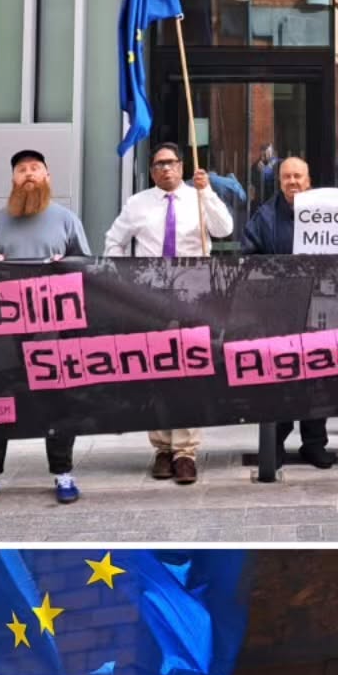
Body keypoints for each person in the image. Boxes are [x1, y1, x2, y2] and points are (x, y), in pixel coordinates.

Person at [0, 148, 90, 510]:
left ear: (47, 177)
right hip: (3, 336)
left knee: (58, 402)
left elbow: (87, 268)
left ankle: (63, 473)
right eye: (21, 170)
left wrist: (66, 266)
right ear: (13, 179)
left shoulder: (65, 219)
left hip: (52, 332)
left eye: (35, 169)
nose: (28, 175)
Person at [104, 141, 233, 487]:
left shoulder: (198, 197)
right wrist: (124, 277)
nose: (165, 169)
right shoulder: (138, 204)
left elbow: (225, 230)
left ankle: (185, 452)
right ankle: (161, 447)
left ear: (182, 165)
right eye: (159, 164)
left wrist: (208, 194)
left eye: (171, 163)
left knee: (190, 370)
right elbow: (113, 241)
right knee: (156, 371)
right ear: (152, 171)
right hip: (151, 295)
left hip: (193, 294)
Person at [243, 156, 338, 470]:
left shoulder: (333, 211)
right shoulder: (264, 216)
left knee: (319, 379)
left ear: (309, 181)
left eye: (298, 176)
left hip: (323, 308)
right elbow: (248, 257)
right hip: (279, 312)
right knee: (280, 379)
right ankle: (275, 444)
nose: (293, 182)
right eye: (287, 177)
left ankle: (315, 444)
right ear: (279, 180)